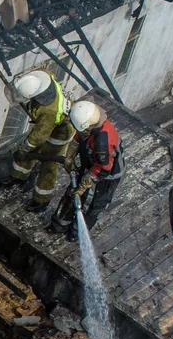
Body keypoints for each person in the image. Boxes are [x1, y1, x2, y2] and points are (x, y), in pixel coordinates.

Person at [8, 70, 75, 210]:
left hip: (60, 133)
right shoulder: (44, 77)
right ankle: (19, 176)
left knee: (48, 164)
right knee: (31, 150)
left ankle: (41, 200)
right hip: (50, 124)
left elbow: (38, 137)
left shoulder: (49, 112)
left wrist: (24, 149)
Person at [54, 99, 123, 234]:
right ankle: (59, 225)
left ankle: (76, 232)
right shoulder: (91, 121)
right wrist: (70, 155)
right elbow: (79, 136)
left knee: (91, 205)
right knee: (71, 196)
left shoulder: (102, 142)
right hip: (91, 166)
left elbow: (103, 168)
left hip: (106, 177)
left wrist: (84, 184)